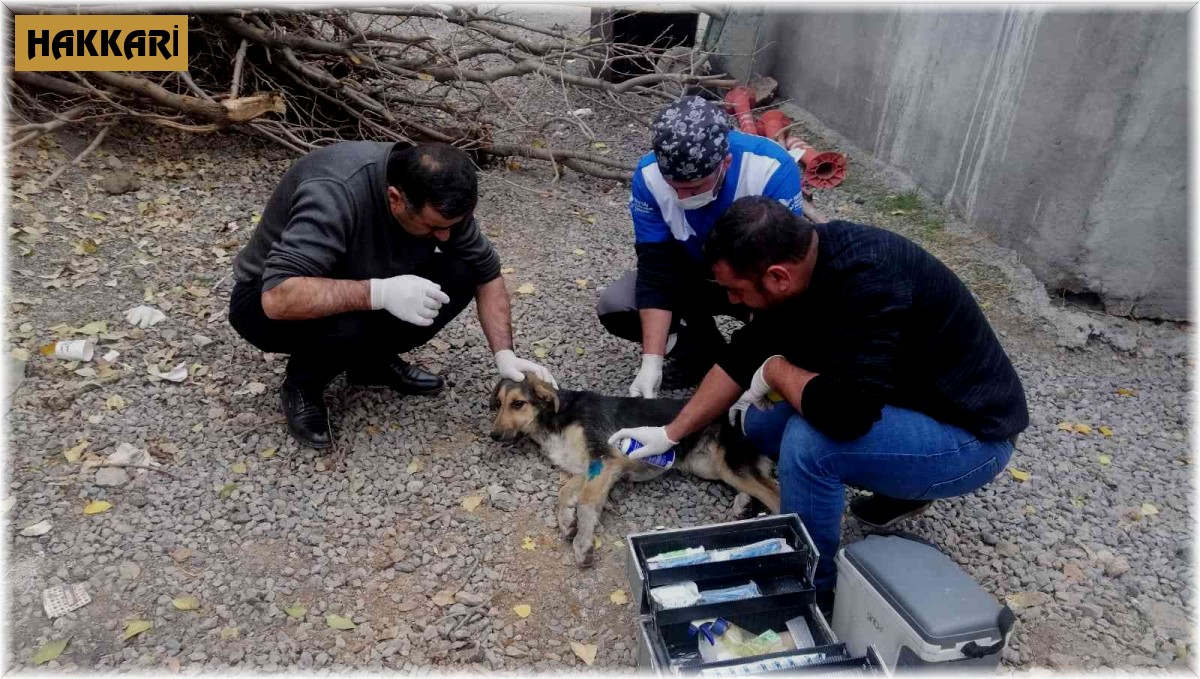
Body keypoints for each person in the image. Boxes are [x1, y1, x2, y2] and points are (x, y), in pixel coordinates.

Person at [608, 196, 1028, 606]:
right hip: (904, 402)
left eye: (735, 290)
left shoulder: (871, 282)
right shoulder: (801, 258)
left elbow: (845, 416)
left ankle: (810, 588)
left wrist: (775, 371)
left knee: (811, 444)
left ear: (777, 277)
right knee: (756, 422)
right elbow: (743, 355)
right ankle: (895, 482)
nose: (731, 301)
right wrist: (671, 432)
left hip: (971, 438)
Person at [229, 141, 555, 449]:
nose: (444, 235)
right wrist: (380, 292)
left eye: (451, 226)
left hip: (361, 277)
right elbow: (277, 298)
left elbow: (487, 274)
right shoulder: (334, 192)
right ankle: (303, 384)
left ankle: (370, 364)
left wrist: (504, 354)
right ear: (395, 198)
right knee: (352, 324)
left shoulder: (440, 203)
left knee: (462, 272)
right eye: (432, 228)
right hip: (264, 301)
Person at [596, 95, 822, 398]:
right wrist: (652, 362)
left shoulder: (770, 169)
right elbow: (655, 270)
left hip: (754, 281)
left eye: (694, 188)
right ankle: (703, 355)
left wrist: (749, 362)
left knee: (806, 341)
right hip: (693, 276)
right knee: (617, 305)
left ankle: (749, 362)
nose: (681, 197)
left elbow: (778, 278)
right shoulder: (648, 177)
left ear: (725, 163)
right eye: (673, 187)